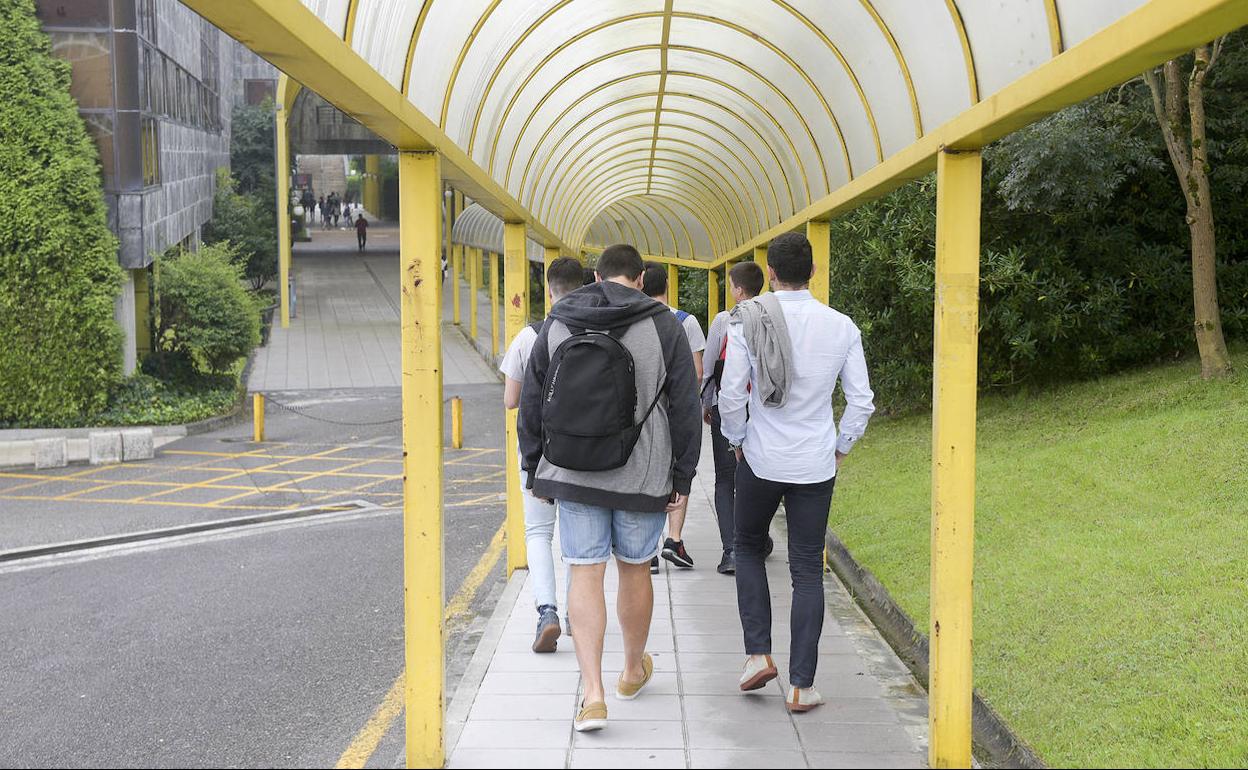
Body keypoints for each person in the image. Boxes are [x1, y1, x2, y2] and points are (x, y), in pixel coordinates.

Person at [518, 244, 701, 733]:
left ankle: (593, 695)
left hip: (574, 471)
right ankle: (630, 670)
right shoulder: (665, 326)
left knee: (583, 572)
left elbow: (534, 396)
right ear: (641, 278)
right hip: (641, 474)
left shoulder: (559, 320)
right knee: (635, 569)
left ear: (596, 275)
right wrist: (683, 477)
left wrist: (534, 465)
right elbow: (686, 406)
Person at [720, 232, 875, 713]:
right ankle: (802, 685)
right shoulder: (841, 325)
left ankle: (757, 654)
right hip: (814, 462)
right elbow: (861, 401)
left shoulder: (748, 319)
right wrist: (840, 448)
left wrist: (738, 440)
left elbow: (731, 394)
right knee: (807, 569)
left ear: (769, 273)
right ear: (814, 273)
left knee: (747, 546)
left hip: (762, 459)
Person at [501, 257, 586, 652]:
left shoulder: (528, 336)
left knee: (538, 532)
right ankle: (575, 613)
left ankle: (546, 611)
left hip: (537, 450)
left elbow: (511, 400)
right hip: (581, 451)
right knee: (575, 536)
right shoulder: (590, 333)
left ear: (549, 290)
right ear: (583, 287)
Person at [700, 261, 771, 575]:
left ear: (738, 288)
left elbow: (711, 366)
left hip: (727, 406)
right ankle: (757, 540)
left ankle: (731, 551)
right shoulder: (772, 318)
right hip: (763, 411)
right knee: (759, 476)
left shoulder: (724, 320)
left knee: (725, 480)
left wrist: (706, 403)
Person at [640, 262, 704, 572]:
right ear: (667, 285)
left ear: (640, 284)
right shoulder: (686, 321)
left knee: (649, 474)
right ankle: (674, 540)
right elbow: (697, 372)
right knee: (681, 472)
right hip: (677, 411)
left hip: (646, 415)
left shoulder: (635, 320)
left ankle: (648, 549)